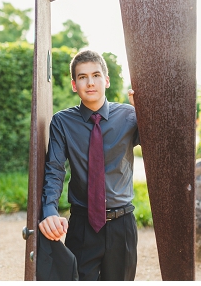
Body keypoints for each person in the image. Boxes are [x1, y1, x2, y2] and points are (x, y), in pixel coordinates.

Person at [39, 50, 140, 281]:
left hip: (122, 225)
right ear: (74, 85)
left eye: (95, 75)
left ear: (106, 80)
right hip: (82, 225)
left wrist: (146, 114)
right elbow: (55, 169)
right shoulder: (62, 122)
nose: (90, 82)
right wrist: (49, 211)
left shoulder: (130, 116)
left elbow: (160, 150)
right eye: (82, 77)